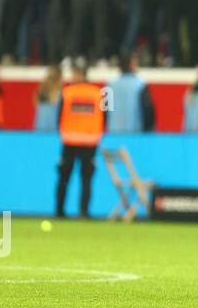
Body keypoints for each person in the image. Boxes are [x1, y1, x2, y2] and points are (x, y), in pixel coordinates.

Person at [56, 62, 106, 219]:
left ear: (82, 75)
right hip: (90, 142)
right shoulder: (98, 93)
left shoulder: (67, 92)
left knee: (65, 178)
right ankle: (83, 212)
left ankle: (60, 211)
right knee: (86, 179)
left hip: (70, 141)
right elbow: (105, 117)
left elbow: (59, 115)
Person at [106, 54, 155, 133]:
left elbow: (104, 113)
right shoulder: (140, 85)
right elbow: (148, 112)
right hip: (134, 136)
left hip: (113, 136)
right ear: (132, 65)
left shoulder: (109, 85)